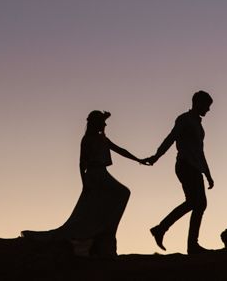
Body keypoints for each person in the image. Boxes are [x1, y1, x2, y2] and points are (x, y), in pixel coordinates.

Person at [22, 110, 146, 256]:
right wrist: (84, 183)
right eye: (102, 123)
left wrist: (139, 160)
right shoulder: (88, 139)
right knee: (122, 193)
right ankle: (107, 230)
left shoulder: (101, 138)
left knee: (113, 198)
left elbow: (120, 150)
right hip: (95, 174)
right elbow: (82, 163)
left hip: (101, 174)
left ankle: (105, 230)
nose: (104, 125)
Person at [145, 91, 214, 254]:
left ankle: (162, 229)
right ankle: (191, 244)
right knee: (199, 203)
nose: (209, 110)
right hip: (185, 165)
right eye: (207, 106)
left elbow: (200, 152)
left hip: (195, 167)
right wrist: (157, 156)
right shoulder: (185, 119)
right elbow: (171, 138)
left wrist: (208, 173)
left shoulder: (198, 124)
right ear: (198, 103)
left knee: (195, 203)